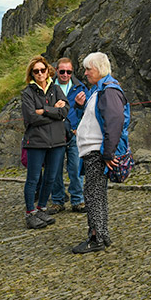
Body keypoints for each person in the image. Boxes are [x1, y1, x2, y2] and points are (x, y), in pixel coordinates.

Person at [72, 52, 129, 254]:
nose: (85, 73)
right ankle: (101, 234)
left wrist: (108, 153)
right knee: (96, 193)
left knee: (93, 194)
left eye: (89, 69)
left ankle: (96, 237)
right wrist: (80, 106)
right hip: (95, 151)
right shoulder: (99, 90)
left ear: (99, 69)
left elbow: (114, 122)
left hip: (98, 152)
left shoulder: (109, 91)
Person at [21, 55, 69, 229]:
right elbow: (31, 118)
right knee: (33, 179)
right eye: (36, 71)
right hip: (36, 142)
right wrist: (53, 113)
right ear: (32, 74)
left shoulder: (55, 89)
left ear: (48, 70)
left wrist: (44, 111)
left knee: (50, 177)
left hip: (56, 142)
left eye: (43, 70)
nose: (40, 73)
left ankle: (41, 208)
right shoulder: (27, 93)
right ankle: (30, 212)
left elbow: (65, 111)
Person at [48, 58, 88, 214]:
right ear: (56, 70)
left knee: (76, 168)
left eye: (69, 72)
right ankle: (58, 200)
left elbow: (87, 111)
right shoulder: (48, 88)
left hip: (73, 134)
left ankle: (78, 200)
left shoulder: (80, 88)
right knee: (55, 170)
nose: (65, 74)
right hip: (55, 134)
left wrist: (79, 126)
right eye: (62, 71)